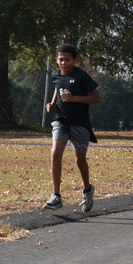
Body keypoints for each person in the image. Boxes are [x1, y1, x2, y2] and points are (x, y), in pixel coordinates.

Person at [43, 43, 102, 212]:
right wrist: (53, 102)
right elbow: (57, 86)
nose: (64, 63)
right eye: (60, 60)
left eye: (67, 60)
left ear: (74, 60)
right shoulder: (55, 74)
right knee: (55, 154)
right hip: (61, 121)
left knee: (80, 160)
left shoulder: (81, 76)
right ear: (56, 60)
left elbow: (96, 98)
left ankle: (87, 190)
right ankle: (56, 196)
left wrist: (74, 98)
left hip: (80, 124)